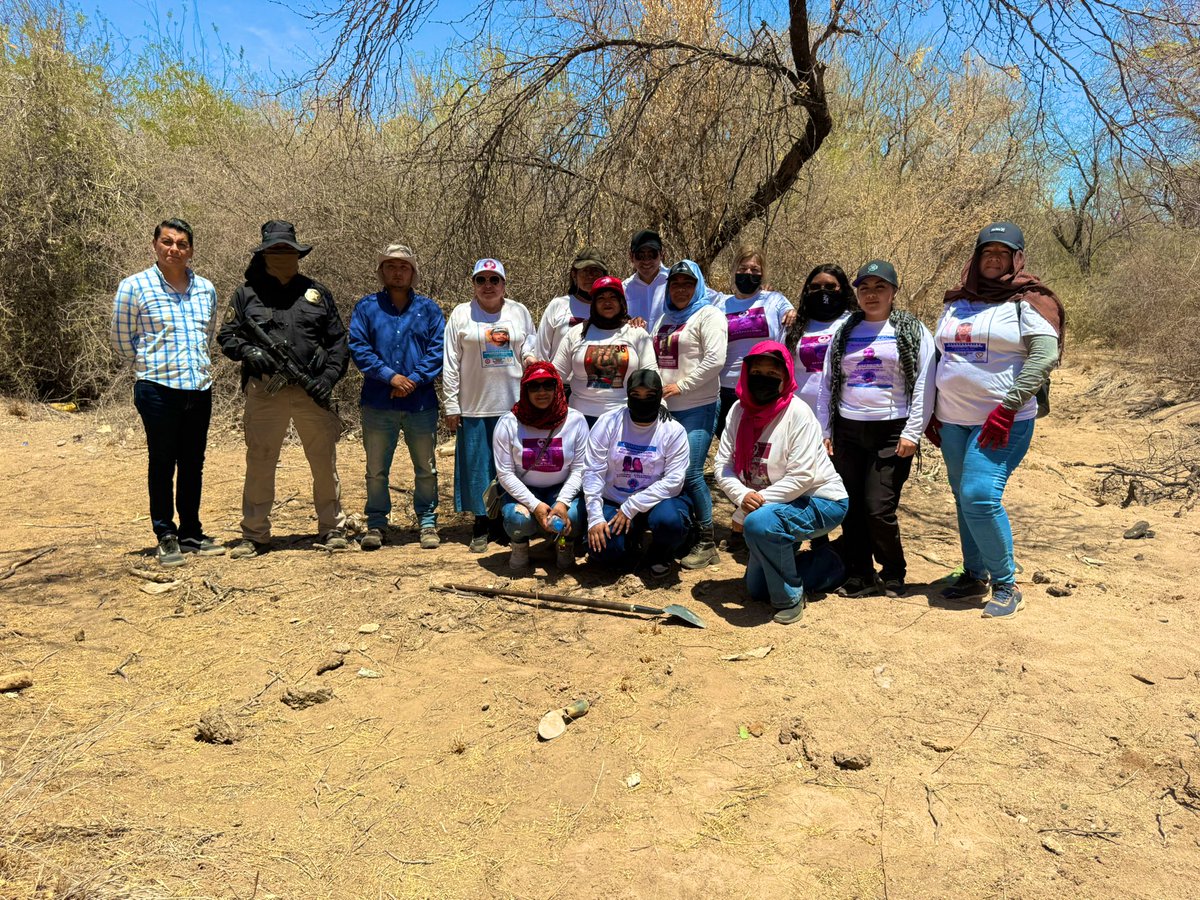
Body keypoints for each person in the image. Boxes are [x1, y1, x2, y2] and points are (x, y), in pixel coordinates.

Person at [930, 222, 1064, 619]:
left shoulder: (1029, 302)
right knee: (962, 497)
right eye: (988, 251)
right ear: (976, 257)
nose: (994, 258)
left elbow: (1043, 357)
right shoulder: (956, 301)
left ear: (1017, 259)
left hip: (1003, 420)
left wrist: (1006, 408)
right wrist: (932, 412)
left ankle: (1006, 583)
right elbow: (941, 357)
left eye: (1003, 253)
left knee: (979, 496)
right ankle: (974, 573)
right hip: (953, 420)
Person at [217, 221, 349, 559]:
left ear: (297, 253)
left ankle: (332, 528)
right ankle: (255, 534)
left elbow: (337, 341)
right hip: (265, 392)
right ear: (264, 253)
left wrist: (328, 379)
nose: (281, 256)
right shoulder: (247, 294)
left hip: (310, 391)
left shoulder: (317, 293)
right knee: (260, 461)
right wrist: (249, 351)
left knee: (323, 461)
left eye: (287, 250)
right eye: (275, 250)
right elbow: (227, 336)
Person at [817, 260, 935, 598]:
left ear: (894, 292)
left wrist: (913, 432)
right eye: (864, 288)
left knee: (878, 507)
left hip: (891, 431)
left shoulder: (912, 330)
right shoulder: (846, 330)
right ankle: (860, 574)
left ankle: (893, 570)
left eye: (879, 288)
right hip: (848, 430)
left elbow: (926, 383)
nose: (871, 294)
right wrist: (825, 429)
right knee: (851, 505)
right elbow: (828, 382)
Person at [111, 218, 223, 566]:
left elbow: (208, 335)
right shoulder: (135, 287)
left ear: (191, 250)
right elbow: (122, 340)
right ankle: (166, 534)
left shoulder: (206, 288)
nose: (174, 248)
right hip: (157, 388)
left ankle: (191, 531)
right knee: (162, 462)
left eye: (182, 243)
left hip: (198, 387)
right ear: (155, 245)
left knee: (193, 462)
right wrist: (151, 365)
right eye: (167, 241)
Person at [715, 341, 848, 622]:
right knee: (756, 589)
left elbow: (802, 477)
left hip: (821, 500)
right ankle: (822, 561)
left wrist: (745, 511)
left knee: (759, 525)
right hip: (773, 505)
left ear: (786, 377)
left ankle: (790, 595)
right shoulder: (739, 411)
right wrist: (741, 497)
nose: (764, 379)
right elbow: (723, 465)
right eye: (757, 372)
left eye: (773, 374)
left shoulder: (798, 414)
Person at [348, 244, 445, 551]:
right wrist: (390, 376)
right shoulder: (366, 308)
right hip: (379, 402)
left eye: (404, 267)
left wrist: (412, 379)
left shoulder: (429, 309)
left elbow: (438, 349)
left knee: (426, 468)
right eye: (391, 266)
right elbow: (358, 347)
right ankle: (377, 524)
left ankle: (427, 522)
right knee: (376, 469)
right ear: (382, 272)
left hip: (420, 403)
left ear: (413, 273)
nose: (397, 271)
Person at [442, 258, 538, 552]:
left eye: (494, 280)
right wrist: (451, 404)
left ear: (504, 284)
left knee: (511, 466)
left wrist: (532, 363)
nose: (487, 285)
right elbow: (450, 362)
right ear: (473, 284)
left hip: (514, 406)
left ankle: (507, 521)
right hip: (474, 405)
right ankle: (482, 523)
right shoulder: (461, 314)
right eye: (480, 280)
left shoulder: (518, 312)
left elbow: (530, 348)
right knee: (478, 467)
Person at [652, 260, 728, 569]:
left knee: (691, 473)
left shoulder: (708, 315)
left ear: (698, 286)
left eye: (688, 284)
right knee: (667, 473)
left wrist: (681, 386)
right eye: (675, 284)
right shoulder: (664, 319)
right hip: (666, 409)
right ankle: (682, 531)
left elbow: (715, 359)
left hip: (698, 405)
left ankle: (707, 540)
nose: (681, 289)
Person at [582, 370, 692, 577]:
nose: (643, 401)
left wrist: (632, 507)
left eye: (650, 396)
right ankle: (629, 542)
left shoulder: (673, 430)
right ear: (627, 394)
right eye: (636, 395)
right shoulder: (609, 422)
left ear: (660, 396)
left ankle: (660, 552)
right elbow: (592, 471)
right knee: (602, 550)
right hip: (614, 499)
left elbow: (675, 481)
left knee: (670, 523)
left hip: (656, 501)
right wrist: (595, 518)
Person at [492, 363, 588, 570]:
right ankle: (519, 545)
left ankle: (564, 544)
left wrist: (562, 502)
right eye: (534, 386)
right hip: (524, 491)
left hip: (560, 489)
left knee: (572, 516)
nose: (541, 392)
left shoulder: (576, 421)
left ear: (558, 387)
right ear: (524, 390)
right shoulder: (508, 423)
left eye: (548, 385)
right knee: (518, 519)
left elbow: (580, 468)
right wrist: (534, 505)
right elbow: (505, 473)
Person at [552, 276, 657, 425]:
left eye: (613, 297)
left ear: (621, 302)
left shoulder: (637, 334)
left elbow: (651, 375)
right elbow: (556, 376)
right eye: (601, 298)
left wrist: (661, 404)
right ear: (593, 304)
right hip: (580, 418)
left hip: (623, 417)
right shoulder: (576, 333)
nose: (607, 302)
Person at [714, 247, 796, 438]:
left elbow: (791, 316)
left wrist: (793, 314)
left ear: (762, 274)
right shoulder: (721, 304)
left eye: (754, 270)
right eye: (743, 269)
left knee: (764, 440)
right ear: (734, 270)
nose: (748, 274)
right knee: (731, 440)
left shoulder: (774, 300)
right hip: (727, 387)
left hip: (765, 385)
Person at [785, 263, 855, 416]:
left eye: (830, 287)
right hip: (800, 413)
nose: (823, 292)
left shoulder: (855, 323)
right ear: (807, 291)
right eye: (816, 287)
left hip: (843, 415)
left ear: (842, 289)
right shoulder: (795, 325)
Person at [535, 250, 608, 362]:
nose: (590, 276)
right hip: (560, 378)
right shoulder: (558, 306)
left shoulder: (610, 309)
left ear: (604, 276)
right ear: (574, 275)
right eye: (585, 271)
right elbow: (541, 352)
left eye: (595, 271)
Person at [623, 229, 668, 328]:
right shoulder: (624, 289)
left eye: (652, 255)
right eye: (640, 256)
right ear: (631, 257)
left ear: (661, 254)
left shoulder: (674, 282)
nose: (646, 261)